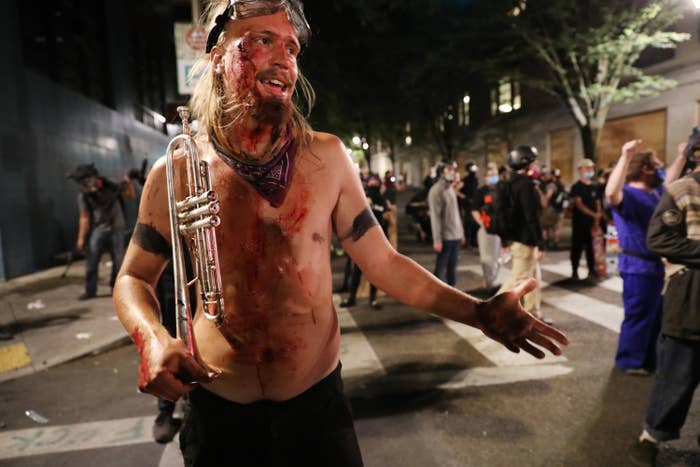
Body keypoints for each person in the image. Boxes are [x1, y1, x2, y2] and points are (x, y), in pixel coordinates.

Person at [113, 2, 567, 465]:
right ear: (215, 58)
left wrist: (478, 312)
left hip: (315, 411)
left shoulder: (325, 158)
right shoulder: (178, 169)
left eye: (291, 47)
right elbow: (134, 278)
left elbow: (384, 263)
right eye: (262, 40)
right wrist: (151, 337)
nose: (285, 58)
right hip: (219, 413)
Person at [628, 136, 700, 466]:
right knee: (675, 375)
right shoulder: (682, 189)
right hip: (689, 298)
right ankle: (651, 436)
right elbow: (658, 239)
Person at [605, 139, 686, 374]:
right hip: (637, 265)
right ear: (645, 169)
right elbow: (611, 193)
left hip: (654, 266)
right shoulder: (628, 194)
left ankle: (650, 360)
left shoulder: (655, 193)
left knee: (655, 315)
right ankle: (629, 361)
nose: (662, 167)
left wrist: (682, 155)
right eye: (657, 164)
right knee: (638, 314)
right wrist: (626, 156)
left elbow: (669, 179)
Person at [68, 163, 134, 300]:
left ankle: (115, 288)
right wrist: (81, 239)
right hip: (99, 228)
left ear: (94, 178)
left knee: (118, 259)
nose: (86, 186)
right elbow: (84, 217)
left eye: (87, 182)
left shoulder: (111, 184)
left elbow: (130, 195)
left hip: (117, 227)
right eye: (83, 184)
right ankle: (90, 290)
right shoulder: (84, 196)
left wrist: (127, 182)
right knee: (92, 258)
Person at [497, 146, 546, 320]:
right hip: (525, 240)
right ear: (526, 162)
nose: (536, 164)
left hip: (517, 238)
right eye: (534, 160)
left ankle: (533, 313)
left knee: (533, 278)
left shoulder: (510, 182)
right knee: (519, 280)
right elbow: (531, 217)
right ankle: (492, 310)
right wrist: (540, 243)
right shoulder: (526, 185)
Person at [340, 174, 390, 310]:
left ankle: (373, 299)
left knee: (374, 272)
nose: (373, 186)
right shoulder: (361, 199)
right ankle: (352, 297)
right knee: (357, 271)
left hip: (376, 241)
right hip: (362, 241)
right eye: (371, 183)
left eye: (375, 183)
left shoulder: (381, 200)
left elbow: (387, 216)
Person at [428, 160, 465, 287]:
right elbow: (435, 217)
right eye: (448, 169)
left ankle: (452, 295)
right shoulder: (436, 191)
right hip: (445, 237)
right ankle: (435, 295)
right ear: (441, 172)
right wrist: (437, 239)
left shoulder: (450, 189)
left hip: (455, 236)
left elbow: (456, 214)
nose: (452, 172)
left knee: (452, 268)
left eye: (453, 169)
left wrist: (461, 233)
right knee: (440, 269)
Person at [471, 163, 502, 292]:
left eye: (494, 175)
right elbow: (474, 210)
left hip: (499, 229)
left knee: (498, 257)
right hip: (486, 229)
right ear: (485, 177)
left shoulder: (502, 191)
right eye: (490, 175)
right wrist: (483, 224)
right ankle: (488, 282)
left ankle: (493, 280)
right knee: (486, 258)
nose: (492, 177)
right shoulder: (481, 192)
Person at [569, 158, 602, 281]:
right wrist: (594, 214)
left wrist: (598, 215)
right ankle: (574, 270)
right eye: (587, 168)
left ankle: (592, 270)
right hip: (579, 222)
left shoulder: (595, 187)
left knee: (591, 248)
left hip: (592, 224)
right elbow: (579, 204)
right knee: (577, 247)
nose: (590, 170)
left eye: (591, 168)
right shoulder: (576, 187)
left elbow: (598, 202)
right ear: (580, 170)